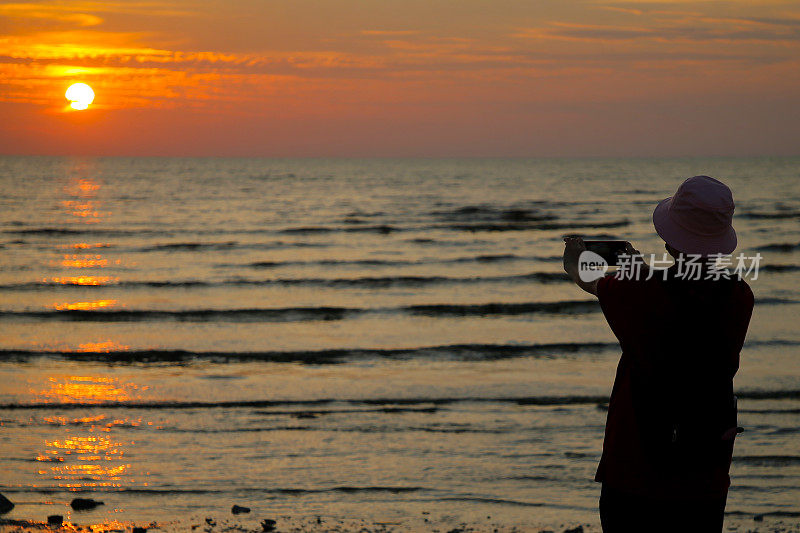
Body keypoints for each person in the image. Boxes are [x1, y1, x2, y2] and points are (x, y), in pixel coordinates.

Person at [562, 175, 754, 532]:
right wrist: (641, 272)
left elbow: (584, 277)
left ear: (668, 239)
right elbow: (690, 291)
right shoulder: (740, 296)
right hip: (705, 465)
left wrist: (574, 254)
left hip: (636, 464)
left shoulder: (635, 289)